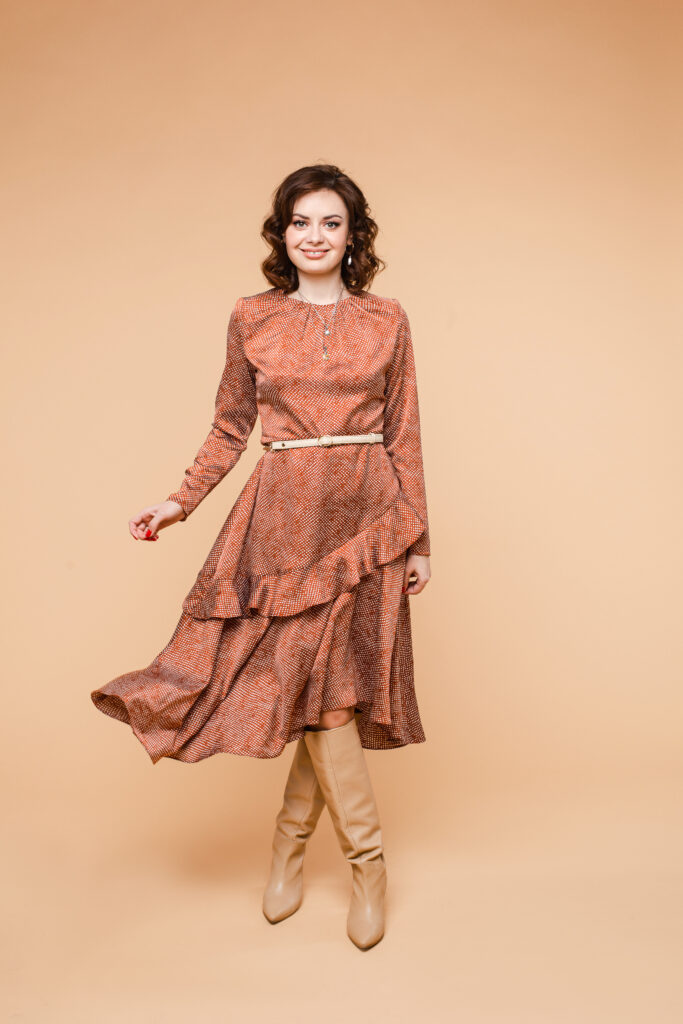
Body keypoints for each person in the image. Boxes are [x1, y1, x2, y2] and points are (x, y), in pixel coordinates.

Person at [91, 163, 431, 951]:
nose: (314, 236)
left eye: (330, 223)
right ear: (281, 234)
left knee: (332, 692)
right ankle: (345, 861)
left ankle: (313, 857)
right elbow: (229, 425)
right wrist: (178, 501)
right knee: (313, 689)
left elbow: (405, 432)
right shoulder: (252, 317)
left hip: (366, 515)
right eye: (300, 222)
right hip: (279, 518)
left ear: (353, 237)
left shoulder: (387, 318)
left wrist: (416, 535)